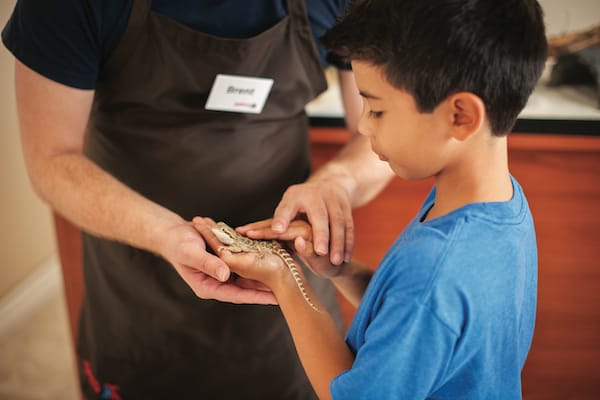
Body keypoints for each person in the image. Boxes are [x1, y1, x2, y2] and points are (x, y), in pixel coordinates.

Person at [2, 0, 394, 399]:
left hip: (283, 300)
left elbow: (390, 123)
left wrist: (337, 182)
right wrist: (165, 234)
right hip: (138, 291)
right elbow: (52, 160)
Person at [196, 0, 548, 398]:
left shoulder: (437, 267)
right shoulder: (502, 205)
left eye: (377, 109)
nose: (362, 125)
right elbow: (411, 319)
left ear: (460, 116)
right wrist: (341, 271)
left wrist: (284, 279)